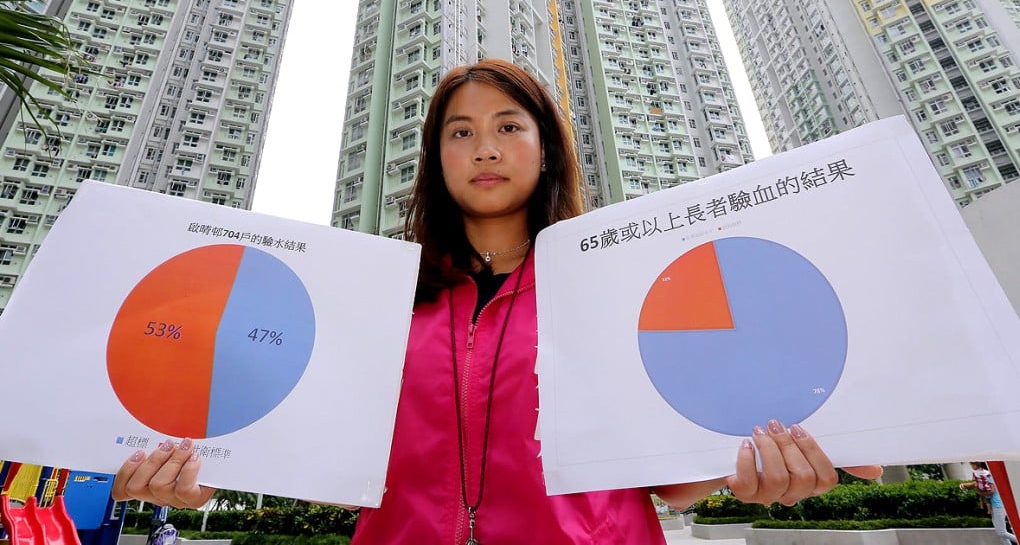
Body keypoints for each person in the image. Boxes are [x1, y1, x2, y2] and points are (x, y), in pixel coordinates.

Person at [112, 59, 882, 543]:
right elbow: (312, 442)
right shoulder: (377, 299)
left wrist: (747, 466)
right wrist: (204, 467)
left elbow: (665, 477)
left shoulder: (614, 288)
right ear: (434, 159)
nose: (485, 147)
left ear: (544, 147)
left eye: (509, 126)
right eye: (461, 131)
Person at [961, 461, 1018, 545]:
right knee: (1000, 534)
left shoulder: (990, 476)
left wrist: (980, 493)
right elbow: (976, 484)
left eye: (972, 465)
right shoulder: (985, 476)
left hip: (998, 505)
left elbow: (991, 491)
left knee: (1001, 532)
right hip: (995, 505)